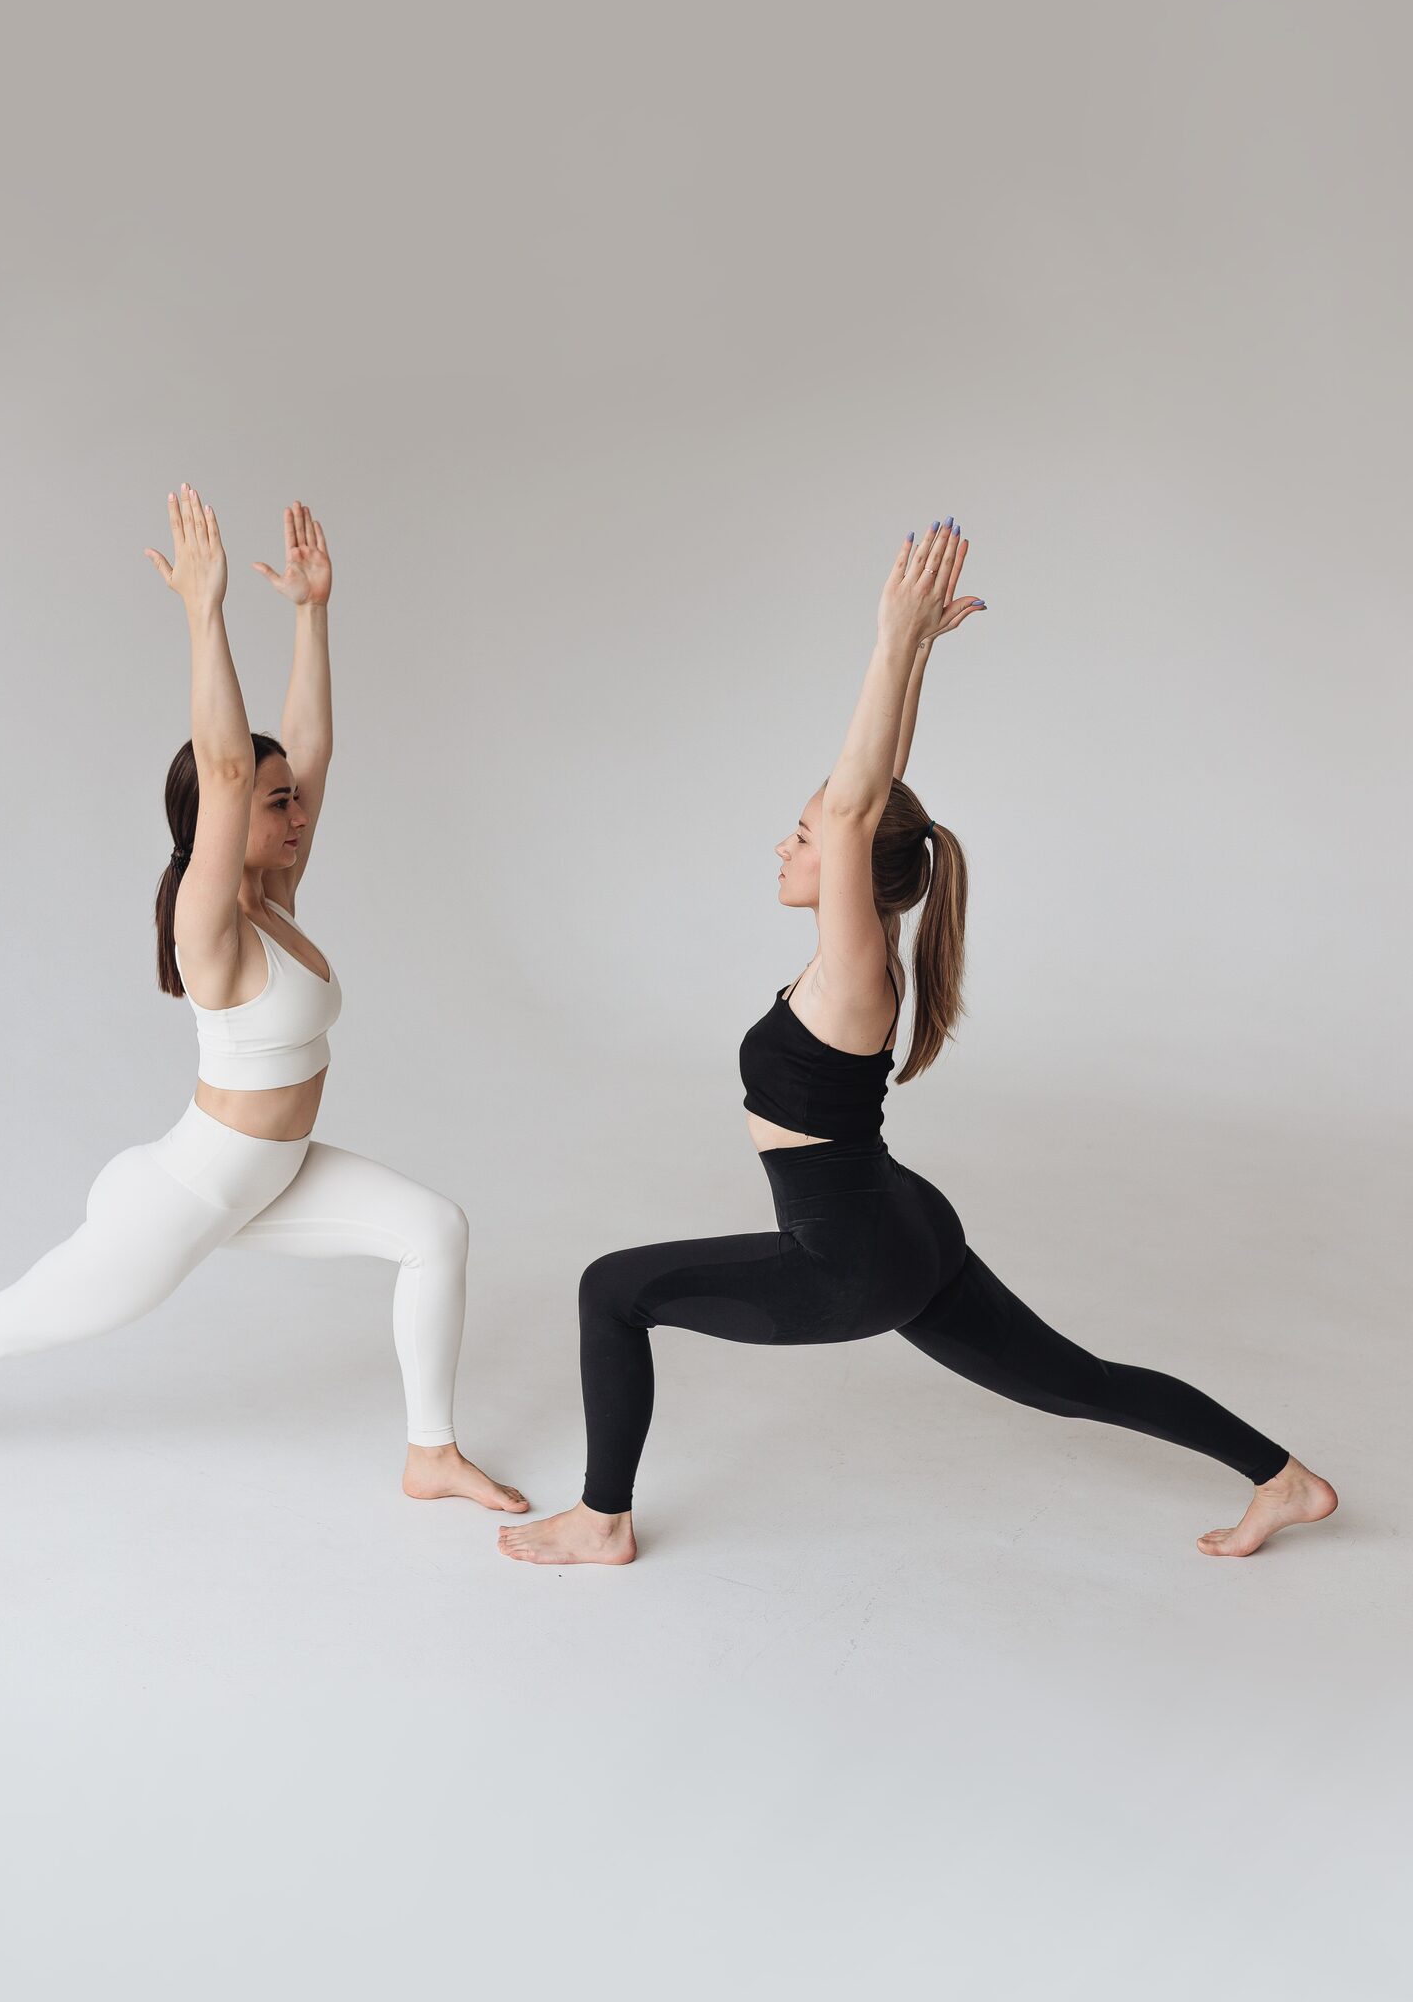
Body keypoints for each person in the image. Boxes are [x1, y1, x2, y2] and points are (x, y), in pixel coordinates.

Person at [500, 518, 1336, 1568]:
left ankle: (602, 1518)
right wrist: (918, 661)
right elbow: (873, 795)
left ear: (850, 862)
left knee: (609, 1288)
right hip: (904, 1226)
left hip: (852, 1259)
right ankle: (1285, 1479)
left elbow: (856, 809)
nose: (786, 843)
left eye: (803, 836)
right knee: (1076, 1381)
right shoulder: (866, 945)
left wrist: (890, 636)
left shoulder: (856, 974)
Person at [0, 484, 528, 1514]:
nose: (299, 814)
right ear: (225, 817)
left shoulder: (275, 899)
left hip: (269, 1175)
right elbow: (228, 766)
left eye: (295, 803)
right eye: (277, 805)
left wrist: (312, 615)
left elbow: (304, 750)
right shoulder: (208, 921)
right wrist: (204, 611)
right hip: (188, 1195)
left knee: (434, 1228)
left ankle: (430, 1454)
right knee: (8, 1322)